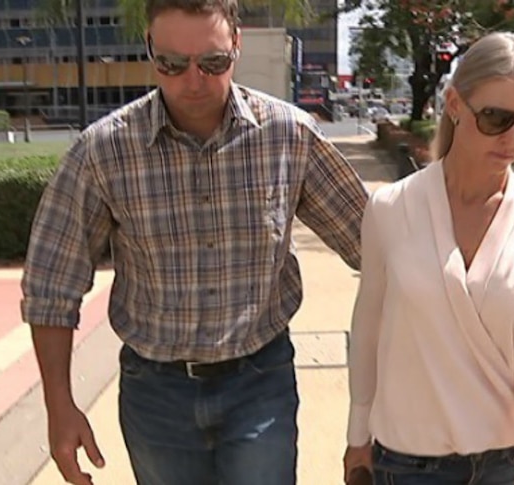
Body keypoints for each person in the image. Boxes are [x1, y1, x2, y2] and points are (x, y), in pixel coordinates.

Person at [20, 1, 369, 484]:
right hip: (155, 391)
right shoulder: (103, 152)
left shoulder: (288, 137)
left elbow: (377, 248)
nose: (194, 81)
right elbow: (51, 287)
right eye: (172, 64)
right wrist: (60, 407)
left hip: (259, 381)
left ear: (237, 46)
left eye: (213, 62)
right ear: (150, 51)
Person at [343, 32, 514, 484]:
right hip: (405, 464)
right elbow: (368, 331)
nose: (512, 138)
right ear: (453, 104)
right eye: (495, 117)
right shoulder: (392, 209)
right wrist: (357, 436)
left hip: (506, 468)